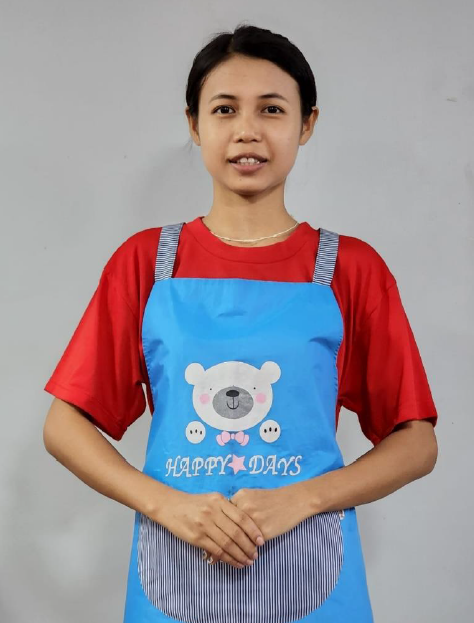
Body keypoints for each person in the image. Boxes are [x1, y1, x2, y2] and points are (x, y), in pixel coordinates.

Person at [43, 23, 438, 623]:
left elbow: (416, 442)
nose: (247, 130)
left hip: (310, 558)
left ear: (306, 124)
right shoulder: (147, 264)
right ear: (194, 124)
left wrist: (302, 499)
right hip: (177, 559)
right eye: (224, 109)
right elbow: (64, 425)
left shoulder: (351, 270)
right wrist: (167, 505)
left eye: (271, 109)